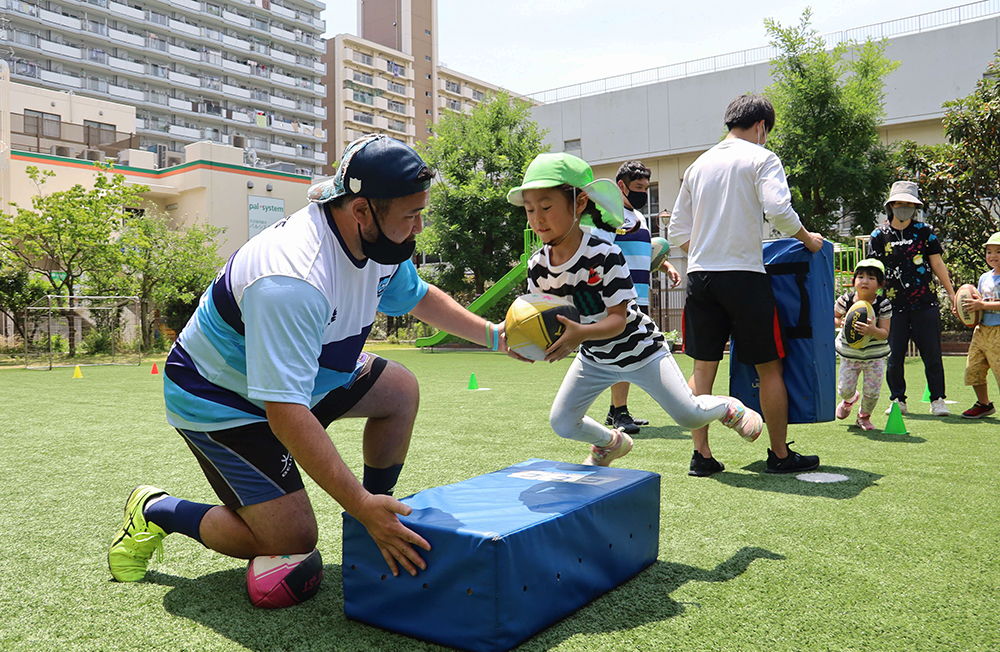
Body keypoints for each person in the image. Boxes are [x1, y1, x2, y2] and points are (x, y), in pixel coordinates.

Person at [109, 134, 511, 592]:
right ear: (361, 210)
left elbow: (416, 297)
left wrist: (495, 337)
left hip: (302, 377)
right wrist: (356, 500)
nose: (420, 226)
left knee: (398, 390)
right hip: (219, 397)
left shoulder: (376, 234)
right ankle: (156, 510)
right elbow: (285, 413)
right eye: (411, 215)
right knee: (292, 538)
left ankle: (377, 515)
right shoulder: (292, 279)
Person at [506, 152, 764, 469]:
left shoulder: (604, 254)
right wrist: (522, 338)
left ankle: (728, 408)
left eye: (546, 207)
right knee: (562, 422)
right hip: (595, 358)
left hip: (640, 351)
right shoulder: (538, 265)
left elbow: (618, 319)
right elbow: (539, 317)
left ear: (580, 204)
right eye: (530, 209)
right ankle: (610, 443)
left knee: (687, 415)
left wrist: (579, 335)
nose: (537, 218)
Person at [667, 93, 825, 477]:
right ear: (760, 127)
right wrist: (808, 240)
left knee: (703, 369)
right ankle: (780, 455)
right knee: (769, 367)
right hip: (745, 277)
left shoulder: (698, 165)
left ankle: (701, 456)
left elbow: (676, 231)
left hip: (700, 276)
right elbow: (778, 211)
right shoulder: (762, 157)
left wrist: (706, 251)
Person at [590, 160, 682, 434]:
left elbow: (646, 250)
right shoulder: (609, 217)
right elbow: (597, 254)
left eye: (646, 186)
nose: (643, 192)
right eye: (638, 187)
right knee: (622, 354)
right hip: (618, 298)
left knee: (627, 351)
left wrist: (666, 265)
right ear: (621, 186)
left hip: (639, 294)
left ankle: (615, 409)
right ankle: (620, 413)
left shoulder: (639, 219)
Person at [868, 180, 957, 417]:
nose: (904, 207)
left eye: (909, 204)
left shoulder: (924, 232)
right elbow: (873, 270)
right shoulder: (879, 235)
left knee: (932, 353)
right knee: (894, 354)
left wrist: (950, 291)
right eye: (899, 203)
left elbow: (937, 262)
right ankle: (898, 399)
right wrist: (868, 300)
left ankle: (937, 399)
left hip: (925, 302)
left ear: (915, 207)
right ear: (891, 206)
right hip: (891, 306)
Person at [833, 259, 893, 430]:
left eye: (871, 278)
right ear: (853, 281)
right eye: (860, 277)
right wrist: (841, 323)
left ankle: (864, 416)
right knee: (844, 389)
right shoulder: (846, 300)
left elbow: (885, 333)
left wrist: (872, 330)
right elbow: (834, 318)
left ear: (881, 284)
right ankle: (850, 400)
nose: (865, 281)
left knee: (873, 393)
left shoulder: (883, 304)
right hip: (850, 355)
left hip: (875, 356)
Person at [959, 231, 1000, 419]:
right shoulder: (984, 277)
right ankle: (984, 404)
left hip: (998, 331)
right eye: (989, 252)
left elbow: (983, 303)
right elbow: (978, 303)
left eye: (998, 252)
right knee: (973, 368)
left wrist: (982, 305)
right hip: (981, 330)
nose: (993, 256)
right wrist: (965, 310)